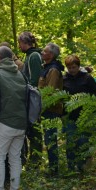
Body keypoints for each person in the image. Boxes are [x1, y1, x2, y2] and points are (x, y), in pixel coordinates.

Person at [0, 46, 27, 190]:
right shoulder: (20, 74)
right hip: (21, 123)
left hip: (3, 123)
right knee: (15, 158)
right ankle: (15, 187)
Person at [63, 54, 96, 172]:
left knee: (82, 141)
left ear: (78, 66)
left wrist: (86, 101)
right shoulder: (64, 79)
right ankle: (71, 167)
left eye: (74, 67)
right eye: (69, 68)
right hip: (70, 116)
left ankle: (82, 166)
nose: (72, 70)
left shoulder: (87, 78)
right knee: (70, 142)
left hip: (85, 116)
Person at [38, 43, 64, 175]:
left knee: (50, 139)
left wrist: (41, 106)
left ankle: (54, 170)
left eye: (45, 51)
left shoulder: (53, 70)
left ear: (51, 55)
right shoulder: (47, 68)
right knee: (48, 139)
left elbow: (50, 92)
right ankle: (53, 168)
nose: (42, 53)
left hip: (51, 110)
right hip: (46, 109)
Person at [17, 31, 43, 165]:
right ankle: (33, 160)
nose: (19, 46)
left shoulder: (33, 56)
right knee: (30, 130)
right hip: (29, 96)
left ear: (24, 42)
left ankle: (36, 160)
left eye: (19, 43)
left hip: (32, 98)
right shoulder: (29, 55)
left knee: (34, 130)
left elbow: (34, 80)